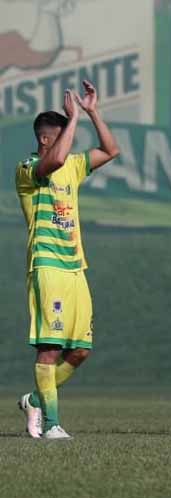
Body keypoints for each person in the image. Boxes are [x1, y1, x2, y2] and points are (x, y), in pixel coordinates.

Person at [15, 80, 120, 440]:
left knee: (81, 350)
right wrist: (72, 118)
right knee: (50, 347)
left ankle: (34, 400)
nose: (70, 140)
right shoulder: (28, 168)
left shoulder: (74, 166)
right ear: (46, 139)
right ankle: (52, 423)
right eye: (63, 134)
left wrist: (91, 111)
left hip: (75, 267)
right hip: (47, 266)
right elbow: (56, 159)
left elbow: (111, 149)